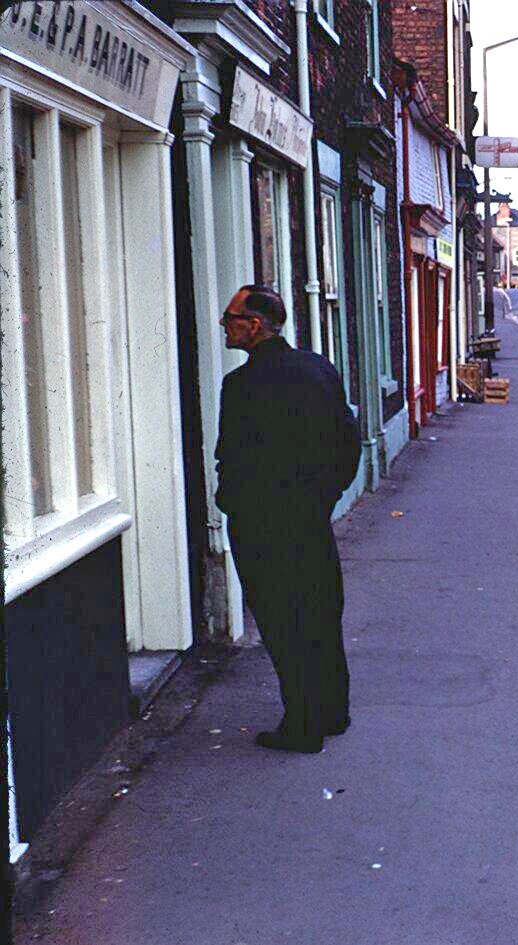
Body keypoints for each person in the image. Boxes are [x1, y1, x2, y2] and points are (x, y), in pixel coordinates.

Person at [216, 286, 361, 753]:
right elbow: (347, 443)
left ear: (255, 325)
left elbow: (230, 456)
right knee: (320, 612)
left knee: (282, 622)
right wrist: (325, 499)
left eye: (231, 317)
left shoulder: (240, 387)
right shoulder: (319, 369)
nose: (225, 324)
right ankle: (333, 711)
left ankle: (302, 726)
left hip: (262, 523)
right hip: (309, 518)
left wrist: (230, 501)